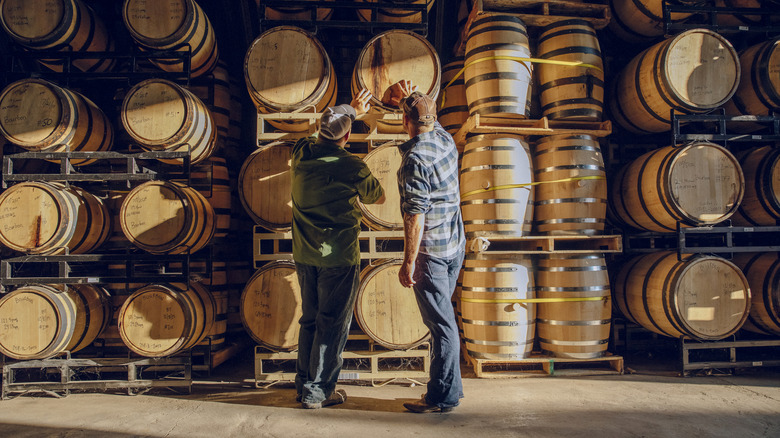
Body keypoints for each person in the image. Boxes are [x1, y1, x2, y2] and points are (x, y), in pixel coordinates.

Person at [291, 89, 385, 409]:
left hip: (305, 253)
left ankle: (303, 384)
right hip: (338, 256)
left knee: (310, 320)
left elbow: (314, 134)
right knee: (331, 324)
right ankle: (319, 392)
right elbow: (377, 197)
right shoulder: (352, 166)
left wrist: (349, 111)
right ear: (347, 136)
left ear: (320, 130)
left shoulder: (302, 152)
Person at [393, 82, 466, 413]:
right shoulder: (445, 138)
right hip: (454, 246)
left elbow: (415, 218)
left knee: (443, 327)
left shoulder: (415, 159)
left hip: (431, 256)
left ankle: (444, 397)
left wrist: (409, 263)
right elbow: (423, 114)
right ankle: (439, 390)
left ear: (406, 122)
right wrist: (414, 94)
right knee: (442, 324)